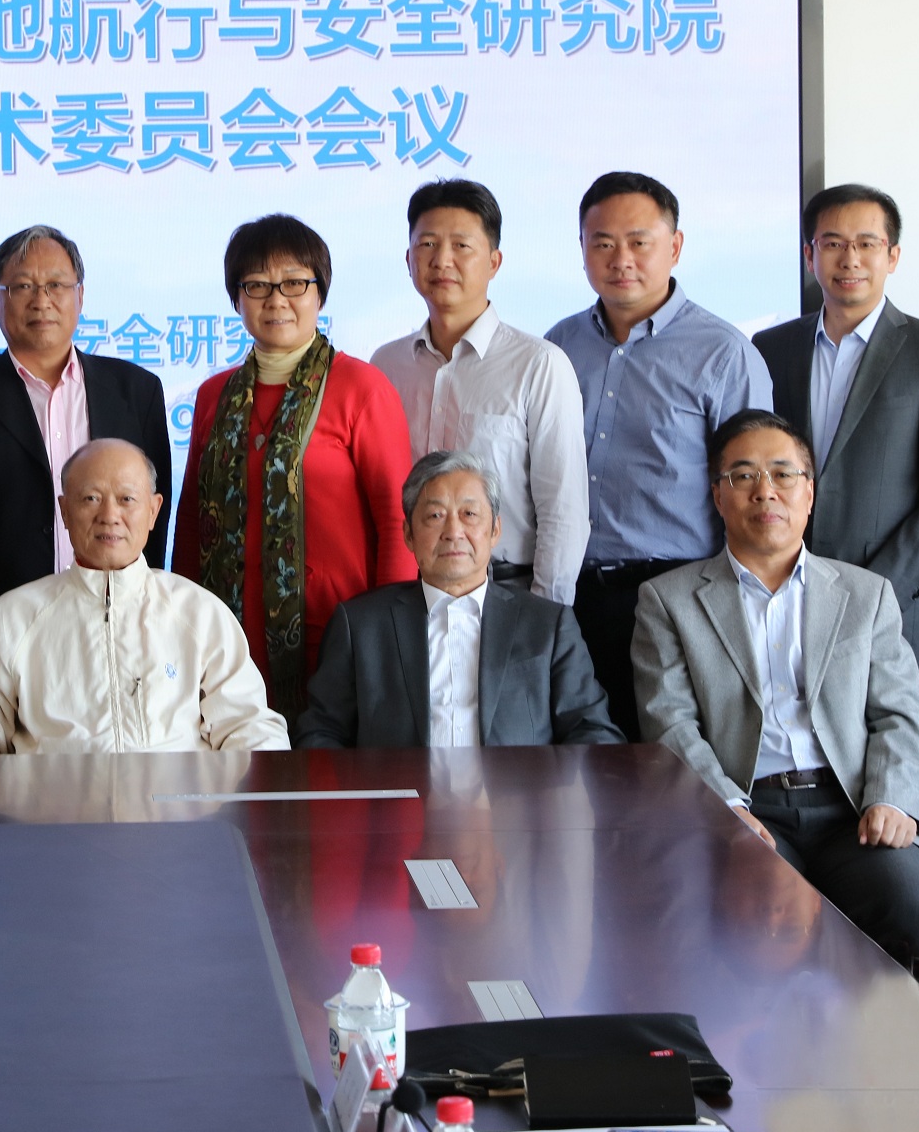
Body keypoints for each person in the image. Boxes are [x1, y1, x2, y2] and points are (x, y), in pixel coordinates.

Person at [628, 409, 919, 962]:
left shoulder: (866, 595)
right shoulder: (668, 601)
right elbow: (670, 725)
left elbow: (899, 713)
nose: (764, 491)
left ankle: (880, 1023)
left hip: (854, 806)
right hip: (749, 806)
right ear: (718, 495)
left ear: (809, 492)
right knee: (755, 925)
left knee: (906, 905)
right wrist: (725, 808)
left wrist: (892, 796)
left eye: (782, 474)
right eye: (743, 476)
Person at [0, 225, 175, 740]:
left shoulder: (136, 390)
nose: (41, 300)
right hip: (5, 638)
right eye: (23, 286)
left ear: (80, 296)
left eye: (56, 285)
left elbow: (152, 525)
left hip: (119, 628)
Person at [547, 173, 771, 739]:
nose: (620, 259)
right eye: (602, 243)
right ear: (582, 249)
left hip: (679, 594)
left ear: (675, 246)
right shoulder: (558, 347)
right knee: (581, 763)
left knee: (674, 762)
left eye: (639, 242)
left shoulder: (723, 353)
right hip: (570, 597)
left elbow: (754, 491)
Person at [174, 214, 415, 715]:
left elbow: (398, 524)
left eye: (294, 283)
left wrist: (390, 637)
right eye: (257, 285)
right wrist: (181, 623)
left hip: (337, 635)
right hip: (225, 638)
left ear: (319, 293)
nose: (276, 299)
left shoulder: (361, 387)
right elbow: (193, 522)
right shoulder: (214, 395)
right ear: (237, 298)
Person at [755, 183, 919, 681]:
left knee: (889, 734)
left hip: (890, 611)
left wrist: (873, 592)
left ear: (892, 255)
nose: (850, 258)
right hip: (781, 603)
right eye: (833, 243)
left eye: (866, 243)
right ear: (810, 255)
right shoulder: (771, 348)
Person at [0, 440, 287, 755]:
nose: (109, 516)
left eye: (126, 499)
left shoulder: (199, 613)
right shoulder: (12, 617)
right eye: (91, 498)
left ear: (153, 511)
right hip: (51, 807)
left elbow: (250, 727)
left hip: (179, 805)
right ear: (64, 511)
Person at [298, 452, 622, 749]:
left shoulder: (549, 626)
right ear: (408, 534)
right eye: (435, 515)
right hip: (398, 795)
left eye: (469, 514)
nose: (454, 531)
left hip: (514, 795)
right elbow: (320, 733)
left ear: (495, 530)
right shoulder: (359, 626)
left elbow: (594, 732)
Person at [372, 179, 588, 607]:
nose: (442, 260)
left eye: (461, 245)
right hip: (408, 595)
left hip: (508, 591)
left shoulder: (539, 364)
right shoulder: (385, 365)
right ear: (409, 259)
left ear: (493, 261)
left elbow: (563, 510)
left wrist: (545, 618)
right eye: (428, 244)